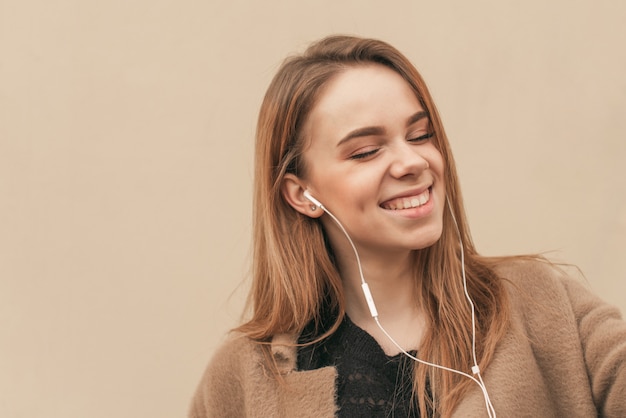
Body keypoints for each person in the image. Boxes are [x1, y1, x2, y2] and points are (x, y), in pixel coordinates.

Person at [189, 35, 626, 418]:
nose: (414, 162)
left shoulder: (544, 304)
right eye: (365, 151)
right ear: (302, 194)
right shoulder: (244, 373)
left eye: (420, 136)